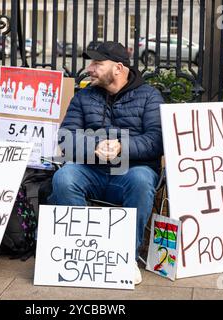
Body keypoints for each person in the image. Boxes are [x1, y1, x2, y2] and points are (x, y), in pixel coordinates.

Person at [48, 41, 164, 285]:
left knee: (142, 181)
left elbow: (156, 141)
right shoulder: (84, 97)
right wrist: (94, 148)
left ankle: (126, 258)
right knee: (64, 178)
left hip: (132, 171)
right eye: (91, 63)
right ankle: (80, 255)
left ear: (118, 68)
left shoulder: (150, 96)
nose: (90, 68)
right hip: (91, 169)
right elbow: (66, 137)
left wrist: (122, 146)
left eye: (97, 64)